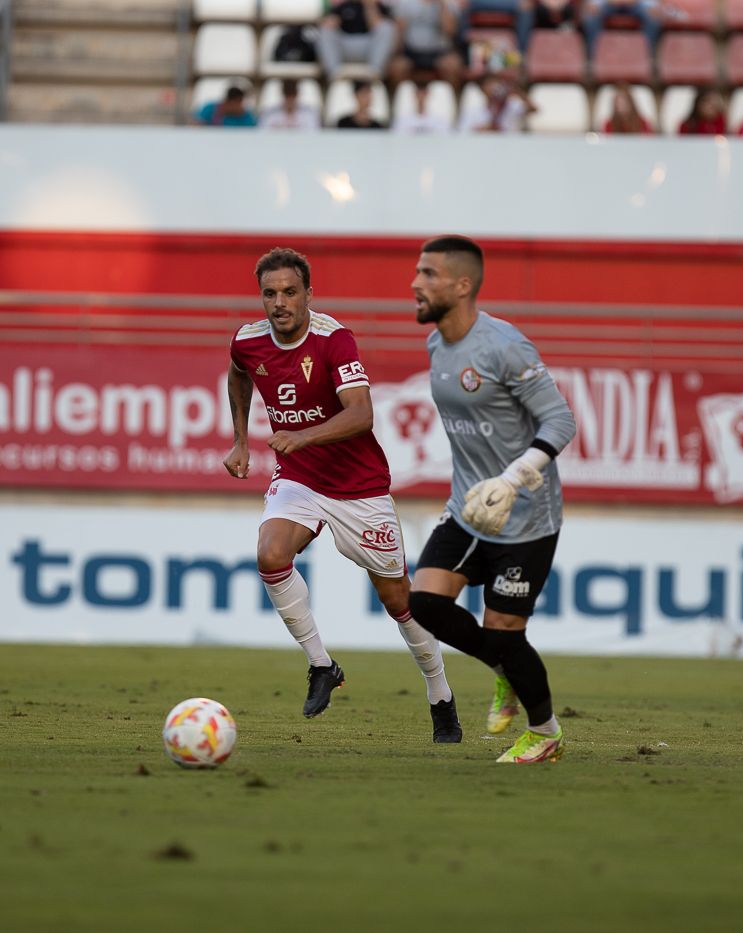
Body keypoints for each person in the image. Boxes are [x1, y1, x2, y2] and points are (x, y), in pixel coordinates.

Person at [223, 248, 462, 743]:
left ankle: (440, 695)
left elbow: (361, 415)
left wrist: (302, 436)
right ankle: (321, 665)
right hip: (299, 480)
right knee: (270, 555)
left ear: (309, 294)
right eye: (270, 293)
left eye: (290, 292)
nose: (279, 303)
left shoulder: (334, 340)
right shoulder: (248, 342)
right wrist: (242, 439)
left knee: (399, 600)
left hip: (359, 488)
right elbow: (239, 373)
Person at [406, 236, 577, 764]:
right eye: (417, 272)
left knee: (504, 629)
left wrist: (514, 477)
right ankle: (503, 668)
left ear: (462, 285)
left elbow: (560, 420)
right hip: (468, 509)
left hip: (525, 517)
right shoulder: (437, 345)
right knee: (423, 604)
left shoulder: (505, 346)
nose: (415, 283)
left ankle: (545, 733)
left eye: (429, 274)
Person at [387, 0, 464, 88]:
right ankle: (400, 100)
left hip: (440, 53)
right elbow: (399, 31)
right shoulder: (405, 3)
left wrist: (442, 6)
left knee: (453, 66)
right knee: (396, 67)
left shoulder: (448, 4)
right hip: (411, 52)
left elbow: (450, 31)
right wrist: (395, 55)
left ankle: (452, 100)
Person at [319, 1, 397, 78]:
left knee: (386, 28)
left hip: (370, 48)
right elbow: (329, 23)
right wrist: (333, 22)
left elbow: (378, 26)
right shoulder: (343, 6)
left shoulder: (379, 7)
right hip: (345, 47)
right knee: (326, 30)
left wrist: (370, 6)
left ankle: (375, 73)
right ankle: (334, 74)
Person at [458, 71, 533, 132]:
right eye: (489, 84)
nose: (493, 87)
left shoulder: (512, 105)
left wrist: (517, 91)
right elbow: (463, 132)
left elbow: (533, 109)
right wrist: (485, 129)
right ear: (482, 89)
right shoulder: (472, 111)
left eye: (496, 83)